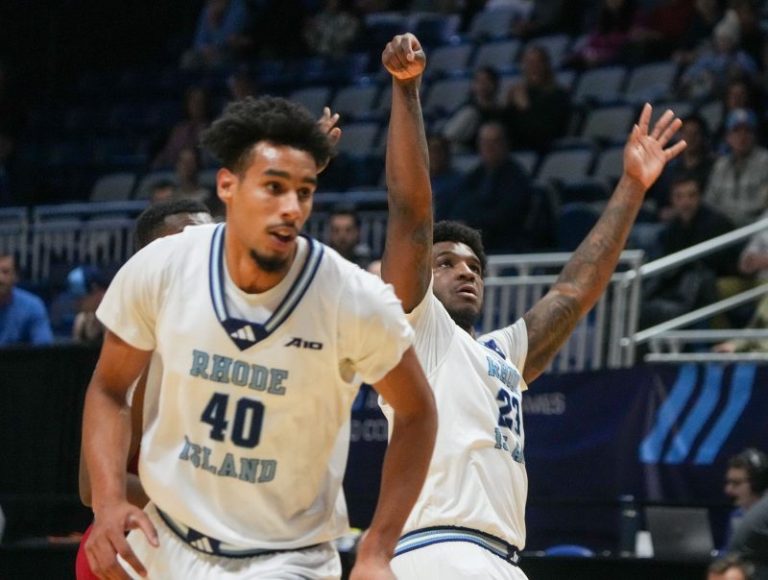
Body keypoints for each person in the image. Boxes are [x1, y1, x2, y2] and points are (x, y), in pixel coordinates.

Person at [81, 95, 437, 580]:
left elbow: (418, 411)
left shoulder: (352, 298)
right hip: (168, 541)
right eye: (274, 187)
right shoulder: (163, 266)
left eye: (305, 192)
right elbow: (108, 389)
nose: (292, 208)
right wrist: (108, 503)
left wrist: (377, 548)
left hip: (284, 560)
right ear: (227, 185)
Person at [379, 32, 686, 579]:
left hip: (499, 557)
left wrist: (633, 187)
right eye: (446, 262)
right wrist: (407, 92)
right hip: (434, 551)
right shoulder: (415, 328)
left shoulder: (501, 355)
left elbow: (573, 292)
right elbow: (410, 212)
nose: (465, 270)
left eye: (474, 265)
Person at [76, 198, 214, 580]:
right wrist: (208, 506)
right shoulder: (138, 348)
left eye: (208, 239)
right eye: (184, 243)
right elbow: (92, 489)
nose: (201, 252)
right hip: (135, 549)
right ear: (149, 262)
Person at [441, 120, 534, 253]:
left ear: (505, 144)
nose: (489, 147)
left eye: (495, 142)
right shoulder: (475, 175)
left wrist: (470, 224)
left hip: (505, 244)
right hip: (473, 243)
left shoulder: (517, 178)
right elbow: (460, 205)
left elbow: (506, 216)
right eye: (484, 142)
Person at [705, 108, 768, 228]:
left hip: (756, 228)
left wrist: (728, 213)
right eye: (736, 131)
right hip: (723, 228)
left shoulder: (765, 161)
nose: (742, 136)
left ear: (755, 135)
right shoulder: (720, 165)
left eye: (747, 131)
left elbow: (763, 203)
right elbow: (709, 202)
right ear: (728, 137)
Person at [726, 449, 768, 579]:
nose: (728, 490)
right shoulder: (736, 516)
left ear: (758, 484)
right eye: (728, 482)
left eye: (736, 483)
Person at [0, 251, 53, 346]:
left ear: (15, 276)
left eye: (5, 272)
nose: (0, 278)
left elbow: (44, 350)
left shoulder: (32, 306)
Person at [326, 204, 371, 269]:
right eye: (336, 230)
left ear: (357, 232)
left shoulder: (366, 261)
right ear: (329, 233)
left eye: (348, 230)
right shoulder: (322, 262)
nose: (342, 236)